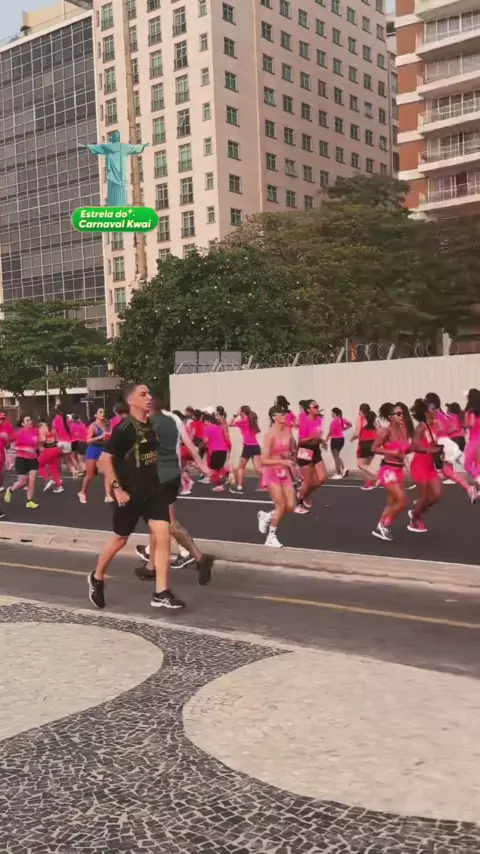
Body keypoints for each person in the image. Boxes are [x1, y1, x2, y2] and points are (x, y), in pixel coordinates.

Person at [87, 383, 181, 611]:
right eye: (143, 394)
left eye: (150, 393)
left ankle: (161, 592)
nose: (149, 397)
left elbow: (154, 456)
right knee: (120, 539)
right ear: (131, 401)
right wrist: (117, 489)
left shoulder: (151, 425)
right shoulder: (124, 428)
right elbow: (104, 460)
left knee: (163, 532)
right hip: (129, 494)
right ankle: (96, 578)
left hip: (153, 491)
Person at [134, 392, 214, 583]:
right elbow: (190, 445)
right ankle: (151, 566)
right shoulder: (174, 418)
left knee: (168, 523)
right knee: (156, 522)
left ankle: (199, 557)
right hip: (173, 474)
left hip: (158, 477)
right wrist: (202, 466)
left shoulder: (147, 423)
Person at [371, 402, 414, 542]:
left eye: (402, 413)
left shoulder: (402, 431)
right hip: (388, 470)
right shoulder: (386, 431)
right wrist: (390, 451)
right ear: (391, 417)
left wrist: (415, 448)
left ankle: (379, 527)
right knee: (402, 501)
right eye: (398, 414)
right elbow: (374, 448)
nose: (402, 416)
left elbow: (404, 451)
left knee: (391, 502)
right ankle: (385, 525)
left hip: (399, 469)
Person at [425, 391, 476, 502]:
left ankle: (469, 488)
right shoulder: (443, 414)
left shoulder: (436, 416)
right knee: (452, 469)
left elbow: (441, 429)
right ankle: (469, 488)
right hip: (449, 443)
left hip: (444, 445)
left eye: (427, 402)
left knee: (448, 470)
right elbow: (449, 427)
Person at [257, 405, 297, 547]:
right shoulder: (270, 435)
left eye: (285, 413)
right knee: (281, 504)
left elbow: (292, 451)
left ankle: (267, 515)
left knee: (291, 506)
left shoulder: (288, 432)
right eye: (281, 414)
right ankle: (271, 537)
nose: (284, 416)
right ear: (274, 417)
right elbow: (263, 459)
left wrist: (291, 456)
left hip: (284, 471)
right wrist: (281, 461)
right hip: (272, 472)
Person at [408, 398, 443, 533]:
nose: (436, 411)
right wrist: (430, 450)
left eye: (436, 409)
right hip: (419, 464)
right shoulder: (421, 426)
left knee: (437, 495)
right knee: (423, 496)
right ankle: (415, 521)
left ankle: (416, 512)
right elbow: (413, 446)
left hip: (429, 465)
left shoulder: (435, 426)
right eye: (433, 409)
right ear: (426, 412)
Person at [296, 399, 327, 512]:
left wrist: (321, 441)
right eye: (315, 407)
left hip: (316, 450)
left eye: (317, 406)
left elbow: (317, 436)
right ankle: (297, 504)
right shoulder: (304, 420)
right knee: (308, 482)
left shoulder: (319, 420)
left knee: (322, 479)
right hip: (305, 450)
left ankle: (303, 495)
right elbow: (300, 441)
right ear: (308, 410)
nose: (317, 408)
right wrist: (313, 437)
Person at [5, 415, 41, 509]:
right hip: (22, 459)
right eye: (27, 420)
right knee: (23, 482)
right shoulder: (18, 433)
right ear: (22, 423)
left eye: (30, 420)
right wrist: (25, 449)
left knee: (32, 480)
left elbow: (37, 444)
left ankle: (29, 501)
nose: (30, 422)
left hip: (33, 459)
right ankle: (10, 490)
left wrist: (38, 448)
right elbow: (13, 446)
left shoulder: (35, 431)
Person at [78, 408, 111, 504]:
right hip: (93, 450)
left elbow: (107, 438)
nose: (103, 413)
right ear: (96, 415)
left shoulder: (106, 426)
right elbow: (88, 440)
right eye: (100, 412)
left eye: (104, 412)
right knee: (89, 475)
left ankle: (108, 495)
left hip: (103, 449)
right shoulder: (93, 426)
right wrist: (100, 437)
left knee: (108, 473)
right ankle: (82, 492)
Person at [229, 405, 262, 493]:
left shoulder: (243, 421)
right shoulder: (252, 420)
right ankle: (272, 482)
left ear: (242, 412)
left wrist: (235, 415)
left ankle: (239, 487)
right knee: (258, 469)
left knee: (241, 467)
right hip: (256, 446)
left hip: (248, 447)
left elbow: (230, 424)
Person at [351, 403, 377, 490]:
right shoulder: (373, 419)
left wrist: (352, 438)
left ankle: (376, 476)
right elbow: (378, 430)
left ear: (361, 411)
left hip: (364, 443)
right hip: (373, 442)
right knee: (367, 465)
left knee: (361, 464)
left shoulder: (360, 419)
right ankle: (369, 484)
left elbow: (357, 433)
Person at [203, 411, 230, 491]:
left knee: (214, 469)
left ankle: (218, 485)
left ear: (207, 421)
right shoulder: (219, 427)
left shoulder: (207, 428)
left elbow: (206, 440)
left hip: (215, 450)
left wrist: (203, 444)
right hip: (224, 449)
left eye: (204, 422)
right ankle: (227, 476)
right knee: (219, 467)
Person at [38, 417, 64, 493]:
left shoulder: (42, 429)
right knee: (53, 468)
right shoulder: (53, 430)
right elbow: (58, 440)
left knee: (38, 465)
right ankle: (59, 486)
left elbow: (42, 440)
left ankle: (47, 480)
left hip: (48, 450)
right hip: (56, 449)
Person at [52, 405, 77, 476]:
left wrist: (56, 441)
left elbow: (54, 432)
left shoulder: (55, 420)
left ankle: (57, 476)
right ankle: (74, 471)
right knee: (67, 459)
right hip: (68, 442)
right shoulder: (68, 420)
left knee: (57, 460)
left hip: (60, 442)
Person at [327, 407, 352, 479]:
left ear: (334, 413)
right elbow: (350, 424)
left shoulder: (334, 421)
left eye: (332, 412)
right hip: (341, 439)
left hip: (335, 440)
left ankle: (338, 473)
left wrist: (325, 440)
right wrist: (343, 428)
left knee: (336, 457)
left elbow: (330, 432)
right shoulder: (342, 419)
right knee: (337, 456)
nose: (331, 414)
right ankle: (344, 469)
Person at [464, 388, 480, 490]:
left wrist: (466, 415)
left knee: (467, 464)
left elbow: (470, 424)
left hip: (474, 441)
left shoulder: (471, 411)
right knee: (478, 466)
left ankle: (478, 479)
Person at [0, 413, 14, 492]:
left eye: (2, 419)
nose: (1, 421)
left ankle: (1, 485)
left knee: (2, 470)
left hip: (1, 453)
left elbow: (7, 445)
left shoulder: (4, 431)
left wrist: (8, 441)